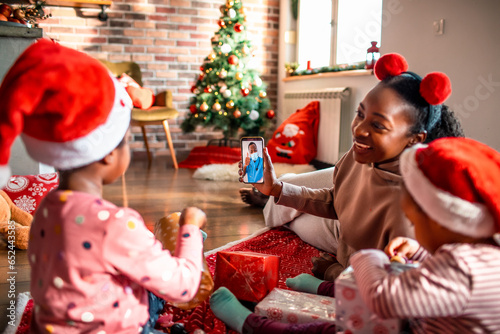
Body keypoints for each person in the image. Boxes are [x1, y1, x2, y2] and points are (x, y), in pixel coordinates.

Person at [0, 40, 206, 333]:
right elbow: (184, 288)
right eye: (126, 141)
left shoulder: (46, 208)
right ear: (109, 152)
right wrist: (191, 227)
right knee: (170, 280)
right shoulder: (116, 224)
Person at [212, 137, 500, 333]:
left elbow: (383, 297)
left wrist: (367, 257)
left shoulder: (461, 269)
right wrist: (420, 251)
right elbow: (336, 201)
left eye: (414, 214)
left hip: (407, 320)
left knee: (324, 330)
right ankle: (321, 288)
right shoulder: (476, 253)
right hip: (417, 315)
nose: (360, 131)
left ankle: (249, 323)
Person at [239, 53, 464, 281]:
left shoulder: (408, 210)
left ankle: (269, 204)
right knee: (286, 203)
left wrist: (335, 273)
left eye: (377, 124)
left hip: (350, 252)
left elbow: (393, 292)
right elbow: (337, 201)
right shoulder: (359, 157)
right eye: (360, 114)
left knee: (290, 218)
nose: (358, 129)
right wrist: (276, 189)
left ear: (415, 138)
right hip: (344, 231)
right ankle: (270, 200)